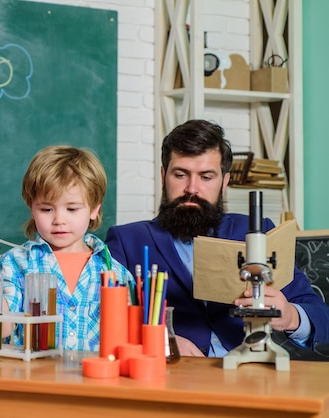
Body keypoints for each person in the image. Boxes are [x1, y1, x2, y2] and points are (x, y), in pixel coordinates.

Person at [106, 119, 329, 357]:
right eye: (180, 175)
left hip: (248, 374)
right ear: (163, 176)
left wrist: (291, 316)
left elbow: (321, 316)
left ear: (224, 182)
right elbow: (103, 321)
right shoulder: (126, 241)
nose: (192, 188)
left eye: (206, 177)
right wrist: (160, 339)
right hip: (171, 375)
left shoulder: (257, 231)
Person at [0, 145, 133, 351]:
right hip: (32, 379)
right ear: (31, 207)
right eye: (46, 209)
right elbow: (0, 329)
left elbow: (127, 340)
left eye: (72, 209)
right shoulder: (17, 263)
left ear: (94, 209)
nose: (59, 220)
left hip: (94, 380)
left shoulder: (113, 271)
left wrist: (131, 313)